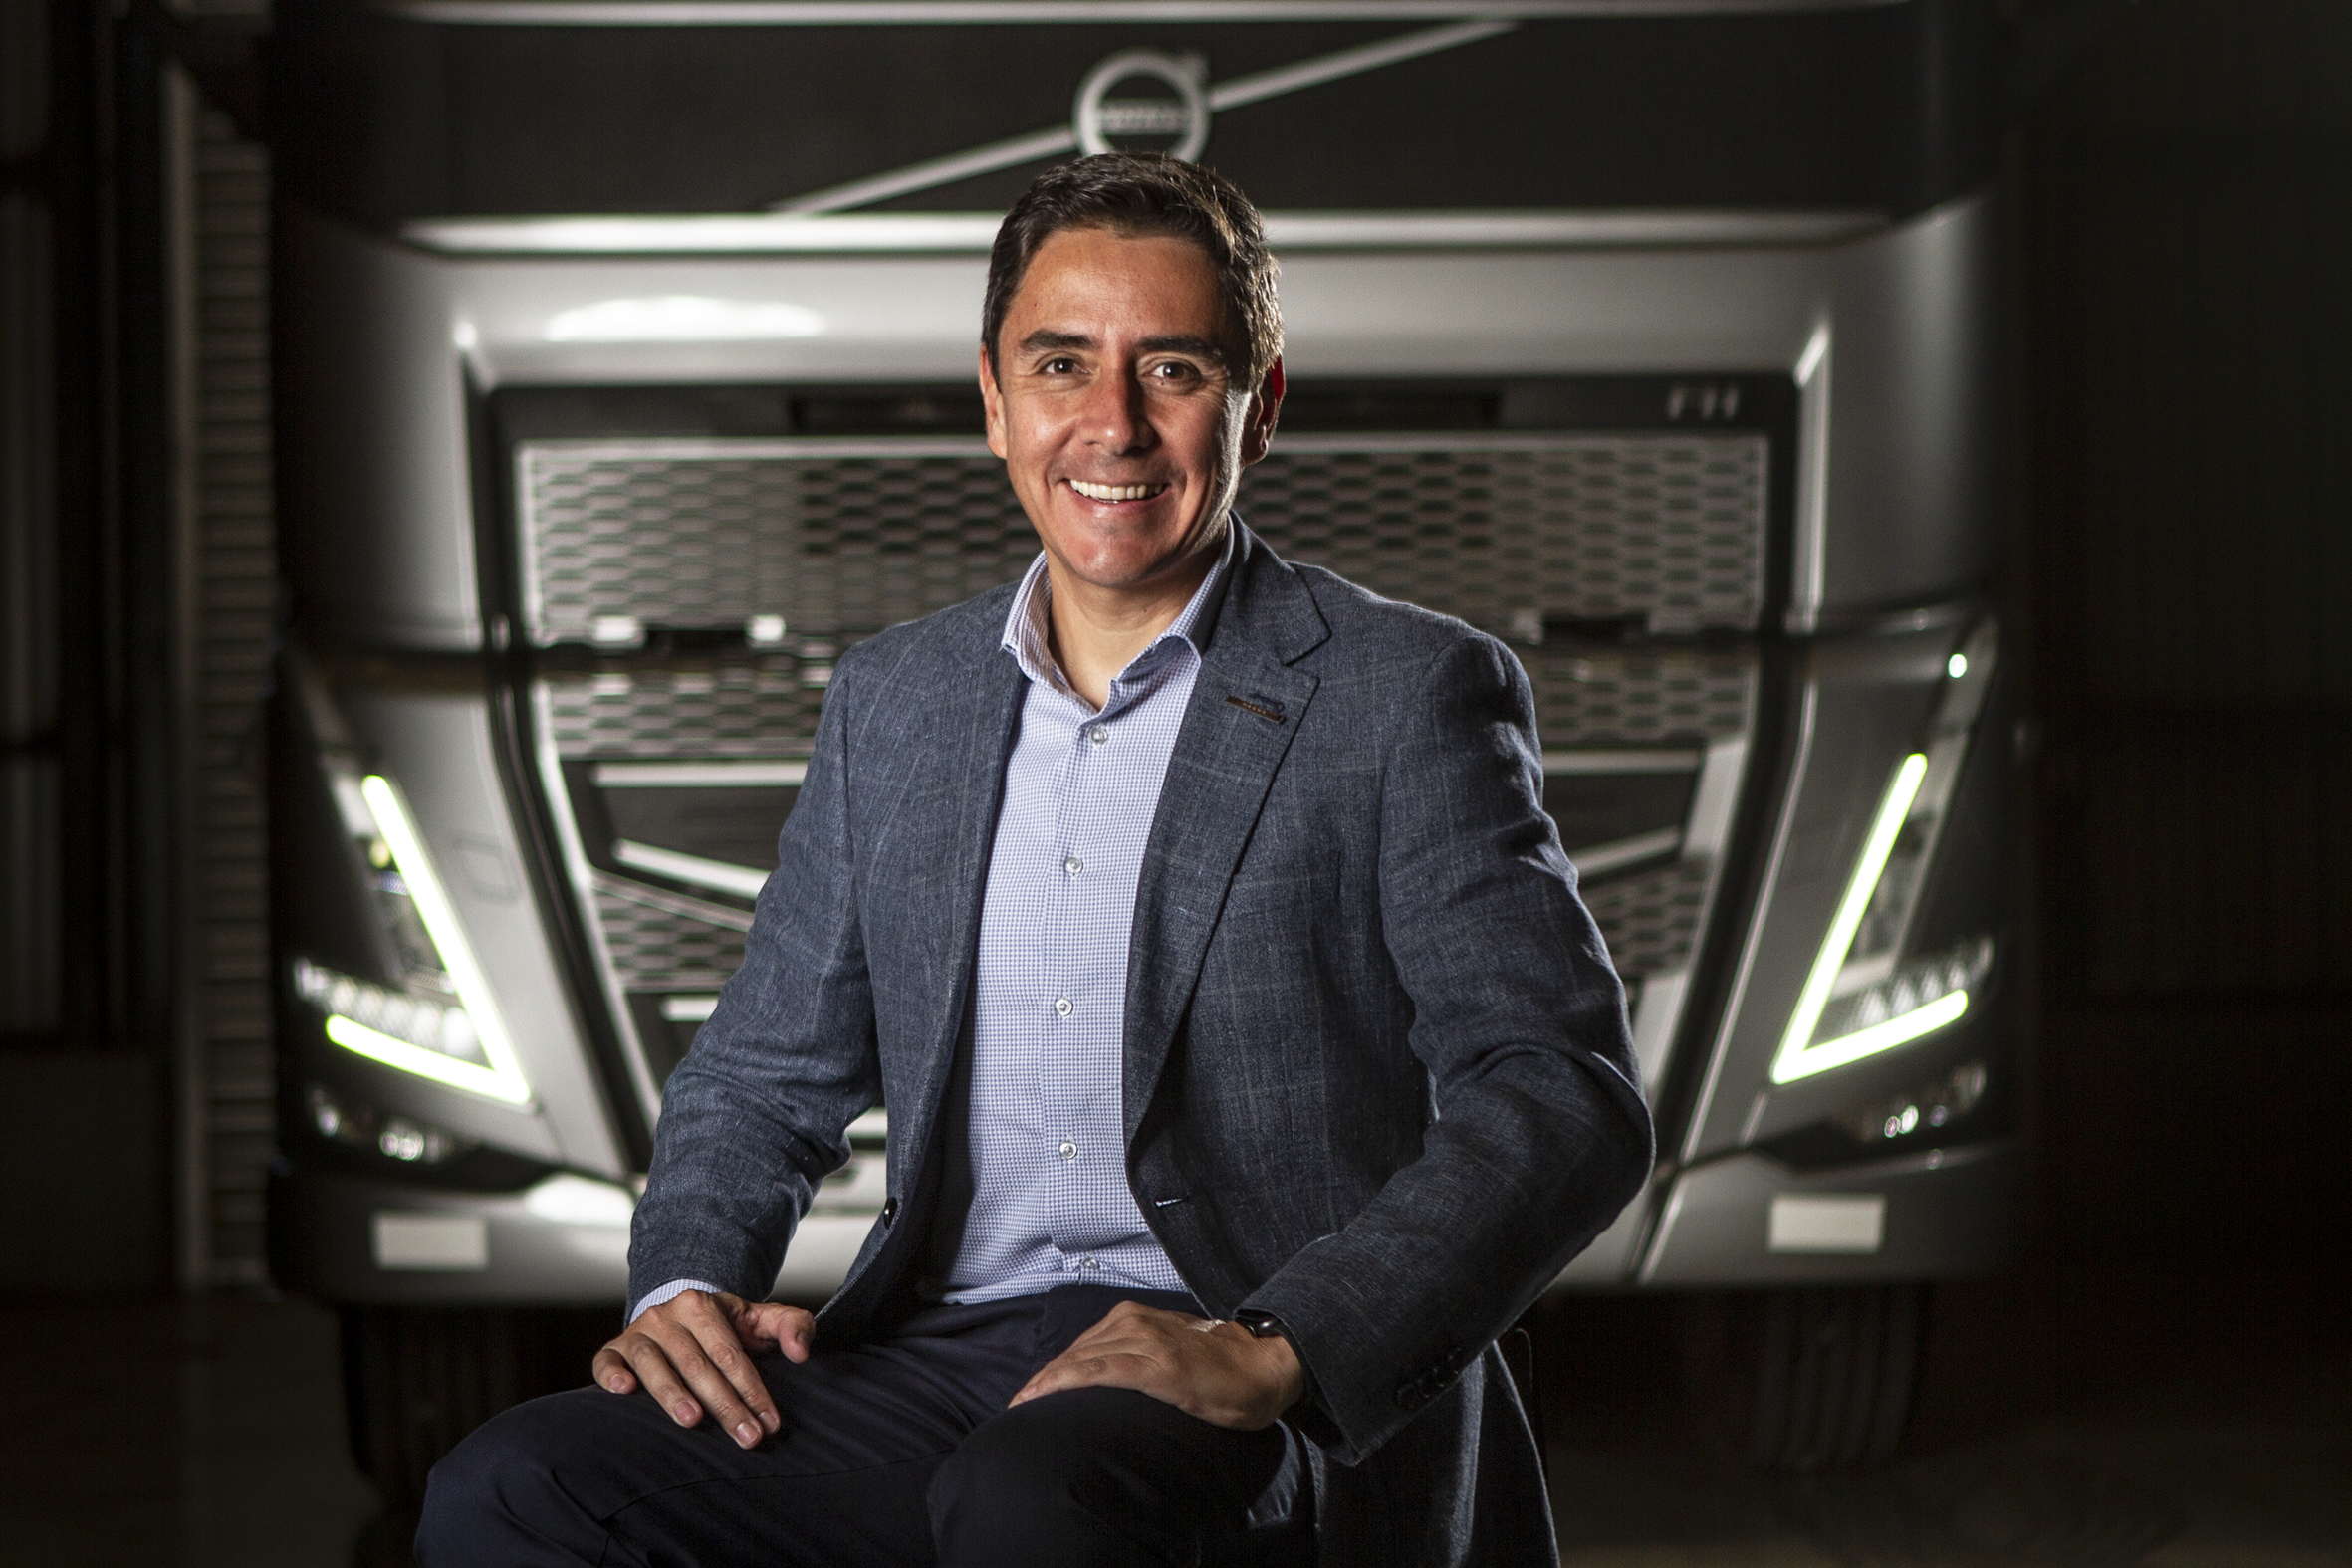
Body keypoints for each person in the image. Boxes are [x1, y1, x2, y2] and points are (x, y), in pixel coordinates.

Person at [416, 151, 1650, 1568]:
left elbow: (1561, 1092)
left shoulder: (1402, 694)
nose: (1111, 424)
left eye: (1172, 369)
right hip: (942, 1353)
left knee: (1031, 1502)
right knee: (511, 1487)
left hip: (1246, 1374)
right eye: (1061, 365)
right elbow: (762, 1075)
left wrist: (1279, 1342)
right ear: (995, 400)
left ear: (1259, 405)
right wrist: (686, 1284)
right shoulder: (897, 702)